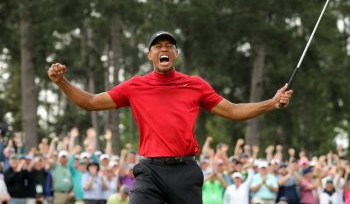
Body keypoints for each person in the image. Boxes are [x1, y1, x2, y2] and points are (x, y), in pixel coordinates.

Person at [48, 31, 293, 204]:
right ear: (150, 55)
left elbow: (232, 111)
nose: (163, 49)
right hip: (150, 171)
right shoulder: (136, 86)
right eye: (158, 46)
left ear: (175, 53)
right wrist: (62, 83)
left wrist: (271, 103)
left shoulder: (194, 84)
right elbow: (90, 103)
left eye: (169, 46)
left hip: (185, 170)